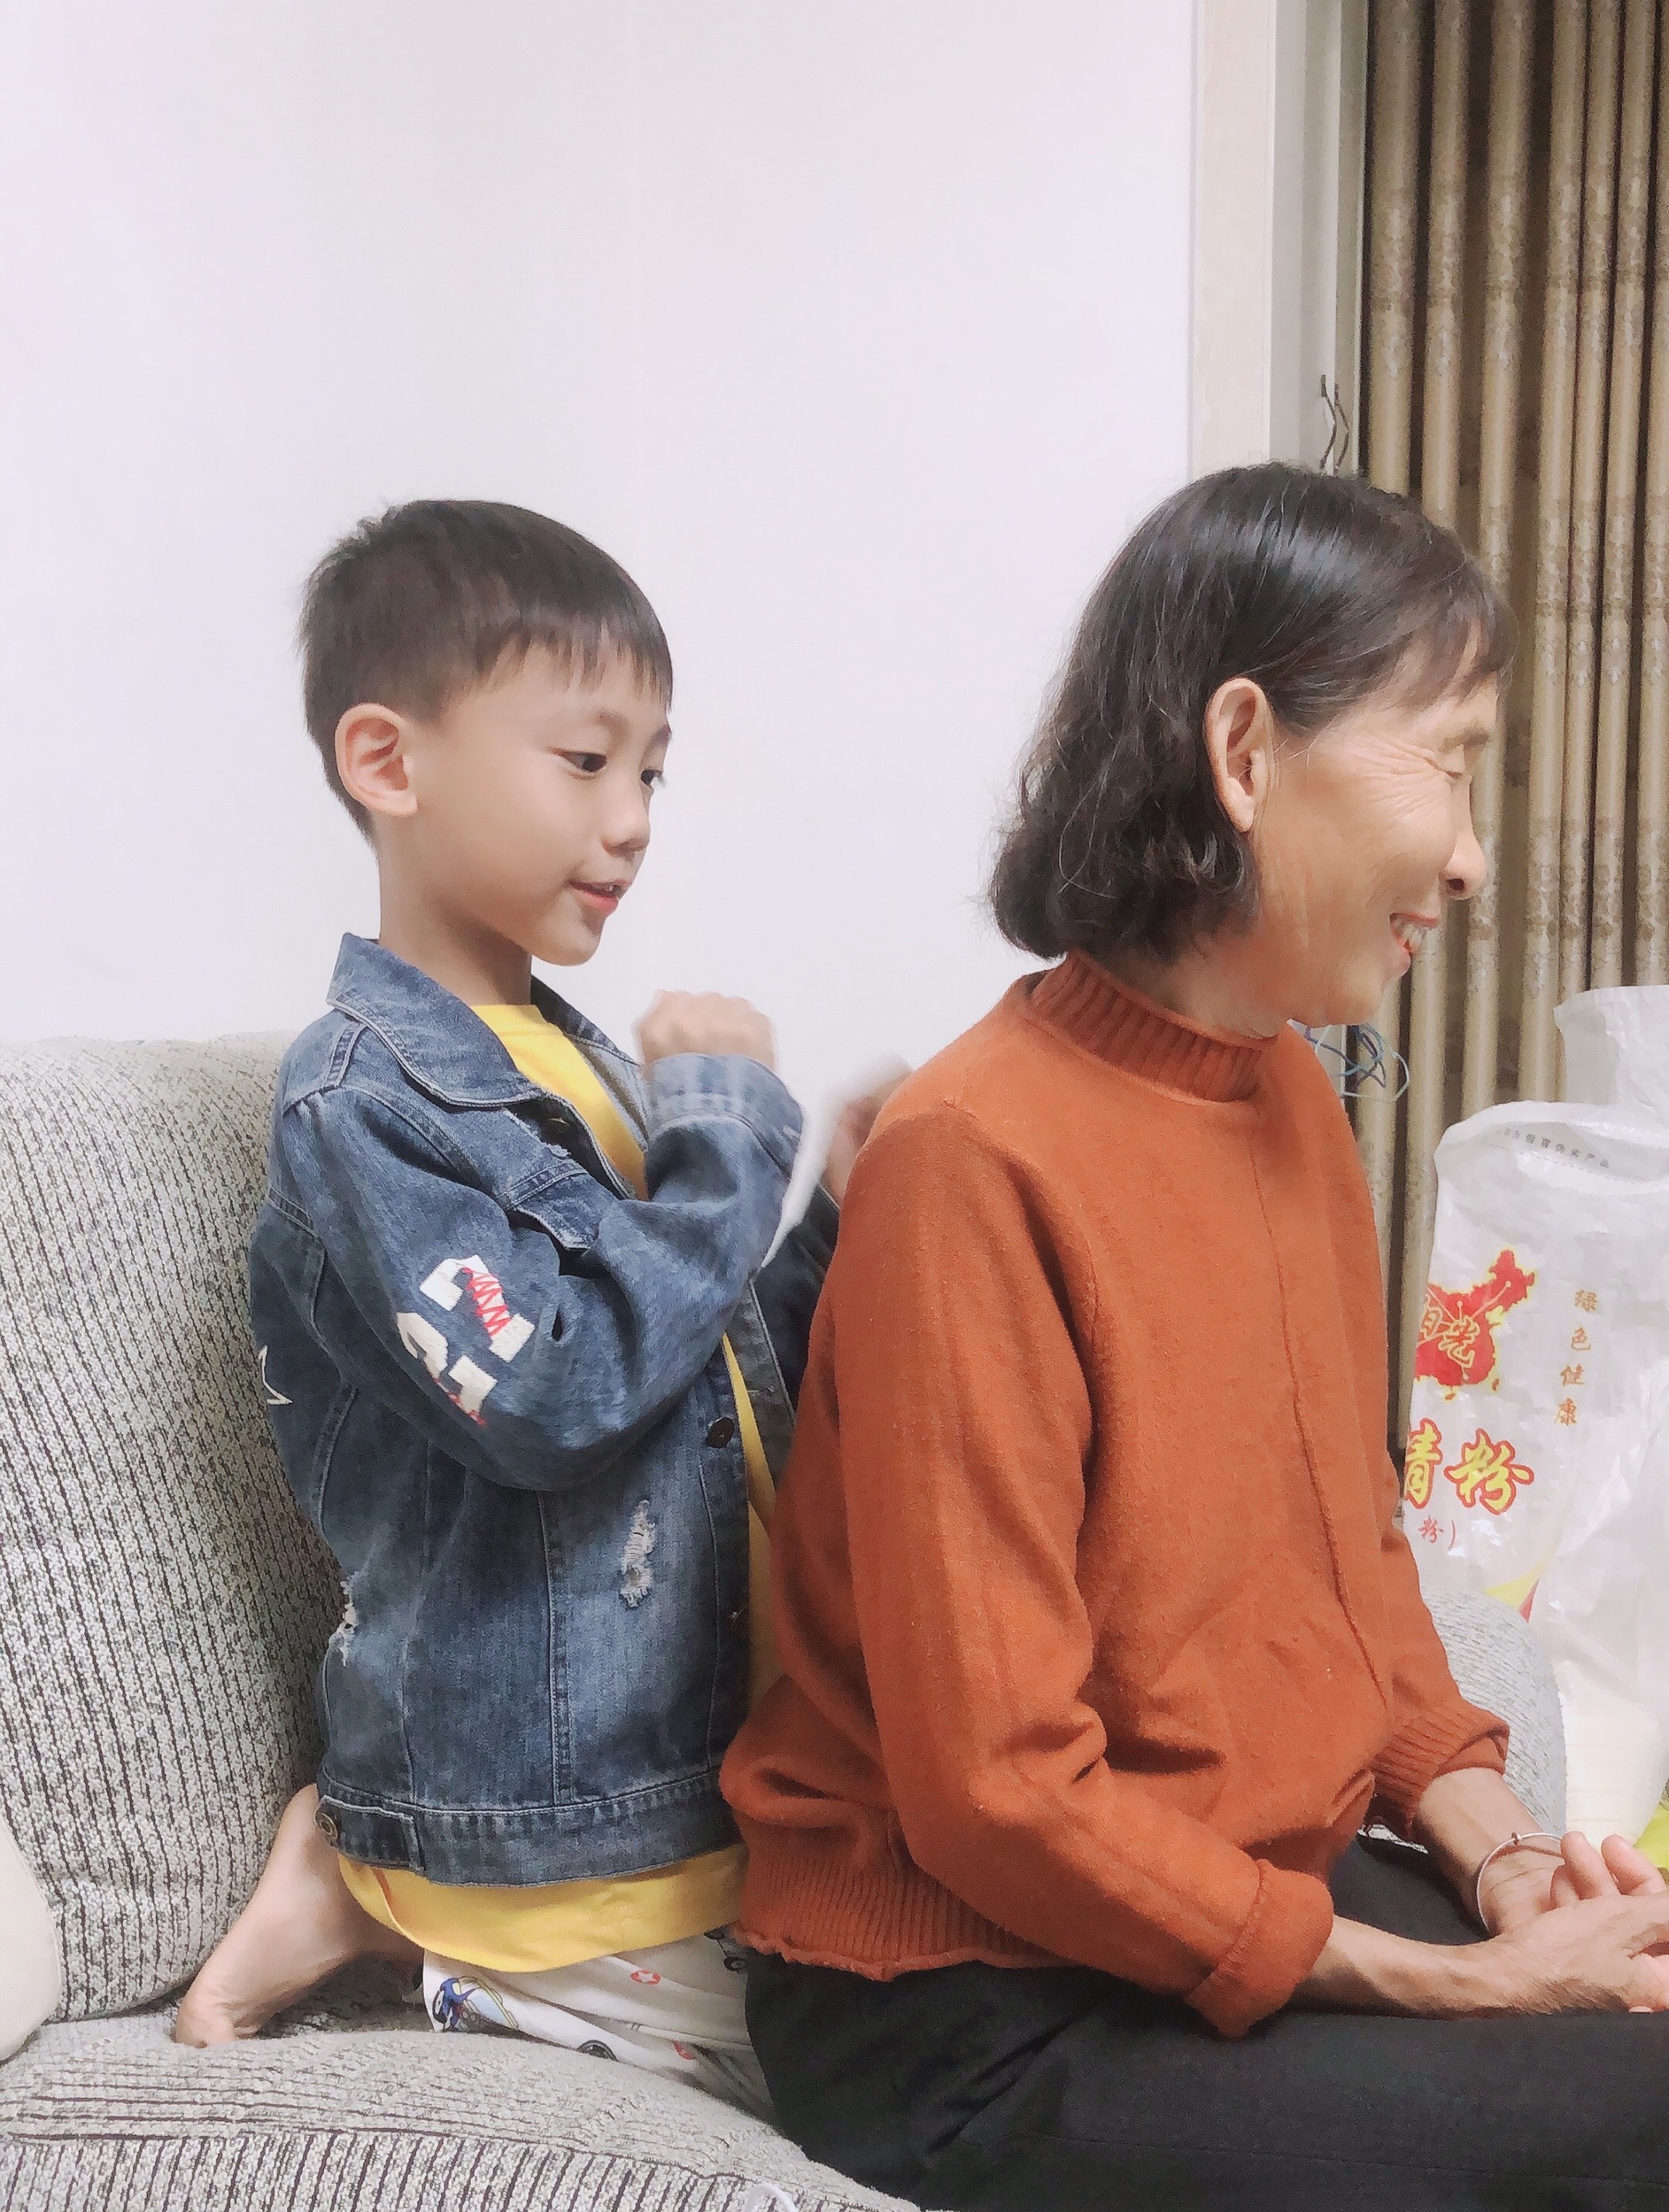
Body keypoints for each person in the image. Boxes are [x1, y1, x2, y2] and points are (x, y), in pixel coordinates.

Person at [722, 464, 1669, 2205]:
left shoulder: (1289, 1100)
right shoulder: (969, 1158)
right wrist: (1467, 1987)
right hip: (967, 2002)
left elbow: (1354, 1557)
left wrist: (1503, 1858)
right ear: (1245, 752)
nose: (1471, 856)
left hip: (1201, 1905)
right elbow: (999, 1795)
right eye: (1449, 763)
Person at [173, 499, 891, 2114]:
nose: (630, 821)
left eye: (652, 773)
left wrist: (829, 1222)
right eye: (584, 761)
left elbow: (696, 1383)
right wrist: (726, 1130)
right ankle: (395, 1908)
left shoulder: (578, 1062)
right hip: (561, 1833)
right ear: (389, 760)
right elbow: (557, 1398)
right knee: (866, 2087)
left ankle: (354, 1887)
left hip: (699, 1787)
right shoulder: (364, 1106)